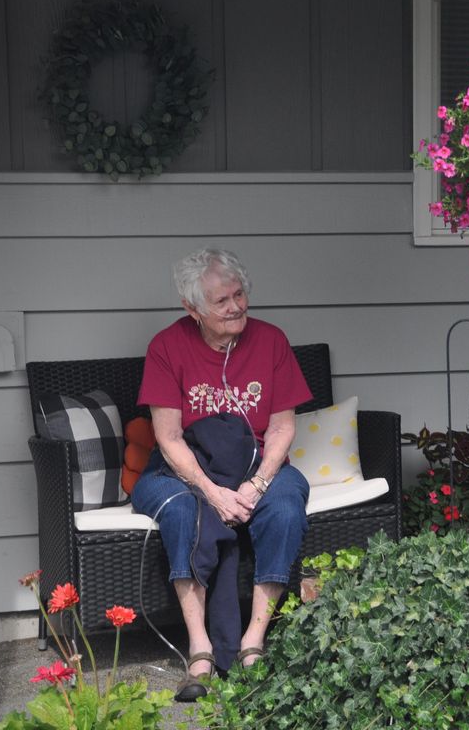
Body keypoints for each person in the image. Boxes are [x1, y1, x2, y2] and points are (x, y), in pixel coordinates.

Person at [131, 248, 312, 701]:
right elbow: (169, 439)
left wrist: (258, 484)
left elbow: (283, 426)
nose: (236, 307)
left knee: (287, 505)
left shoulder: (271, 341)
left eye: (239, 294)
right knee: (181, 512)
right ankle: (200, 647)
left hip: (257, 464)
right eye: (221, 301)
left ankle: (253, 641)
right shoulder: (166, 347)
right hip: (186, 468)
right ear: (192, 309)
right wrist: (213, 493)